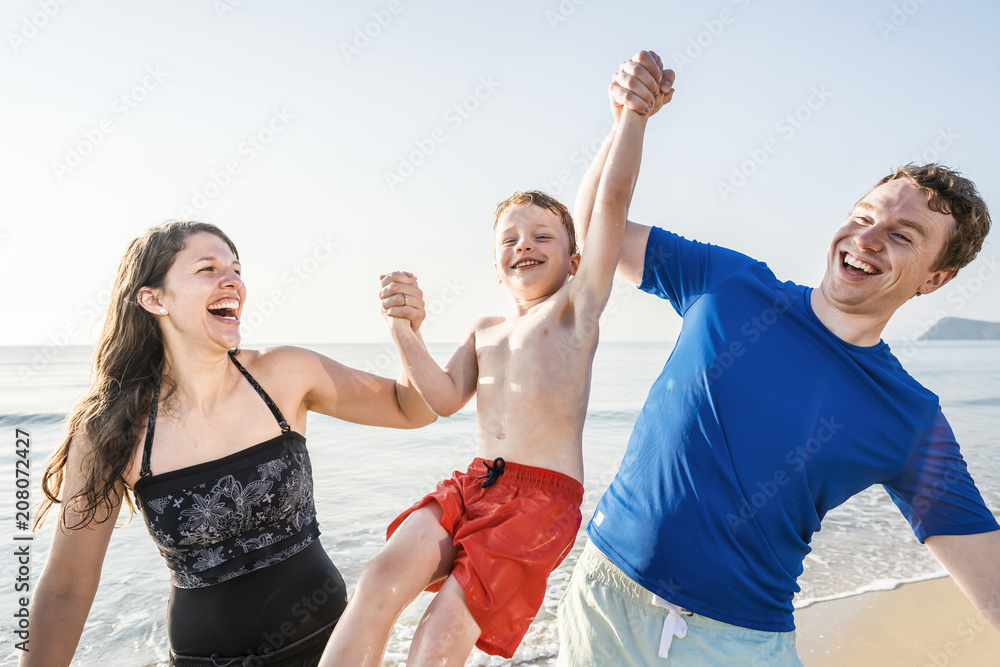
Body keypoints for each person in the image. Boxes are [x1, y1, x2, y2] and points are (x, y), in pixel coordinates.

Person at [556, 53, 1000, 666]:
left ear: (937, 278)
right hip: (601, 600)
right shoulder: (731, 283)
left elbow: (994, 588)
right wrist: (626, 120)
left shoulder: (908, 418)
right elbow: (593, 228)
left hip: (734, 644)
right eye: (864, 216)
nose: (867, 238)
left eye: (902, 236)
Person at [319, 53, 674, 667]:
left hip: (542, 500)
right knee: (379, 577)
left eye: (542, 236)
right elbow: (444, 399)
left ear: (573, 260)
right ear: (494, 259)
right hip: (475, 481)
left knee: (438, 638)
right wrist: (404, 329)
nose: (523, 245)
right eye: (510, 238)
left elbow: (610, 203)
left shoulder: (574, 312)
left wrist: (629, 120)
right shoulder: (484, 329)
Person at [25, 222, 437, 666]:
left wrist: (406, 332)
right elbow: (66, 588)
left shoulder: (285, 375)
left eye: (236, 269)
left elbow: (413, 409)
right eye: (207, 268)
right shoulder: (111, 431)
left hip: (335, 648)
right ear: (154, 298)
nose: (232, 281)